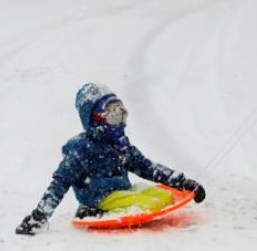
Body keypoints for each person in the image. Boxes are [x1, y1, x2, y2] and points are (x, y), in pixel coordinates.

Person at [15, 83, 206, 236]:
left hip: (122, 191)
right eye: (113, 115)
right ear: (95, 119)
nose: (120, 122)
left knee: (166, 196)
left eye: (121, 113)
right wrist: (39, 216)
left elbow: (146, 167)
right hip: (100, 198)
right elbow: (60, 183)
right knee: (152, 205)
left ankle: (121, 203)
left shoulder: (120, 144)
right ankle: (89, 211)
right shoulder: (81, 149)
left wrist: (182, 182)